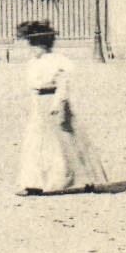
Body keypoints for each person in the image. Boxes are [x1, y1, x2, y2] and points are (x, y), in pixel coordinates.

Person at [15, 20, 108, 195]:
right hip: (39, 104)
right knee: (36, 144)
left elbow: (63, 85)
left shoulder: (59, 61)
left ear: (43, 45)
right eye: (31, 45)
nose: (32, 49)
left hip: (54, 102)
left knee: (69, 141)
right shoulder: (33, 63)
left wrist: (58, 104)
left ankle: (88, 179)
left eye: (35, 45)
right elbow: (33, 87)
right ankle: (33, 184)